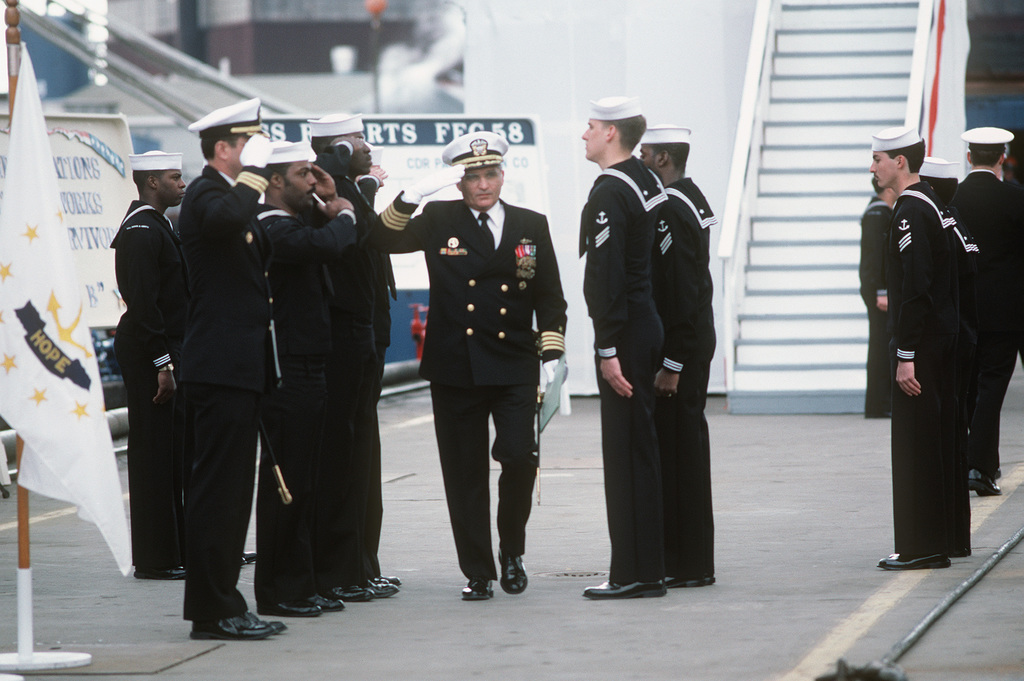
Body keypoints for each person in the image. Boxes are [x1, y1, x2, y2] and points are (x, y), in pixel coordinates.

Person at [371, 131, 568, 601]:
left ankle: (512, 551)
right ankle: (479, 570)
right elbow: (379, 237)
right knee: (464, 473)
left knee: (520, 456)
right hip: (455, 366)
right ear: (458, 183)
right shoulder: (439, 217)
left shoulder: (530, 223)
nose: (484, 184)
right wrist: (414, 194)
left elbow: (549, 295)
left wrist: (552, 355)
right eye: (473, 176)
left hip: (514, 363)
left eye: (491, 174)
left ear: (503, 175)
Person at [178, 98, 286, 640]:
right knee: (217, 494)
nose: (256, 155)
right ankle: (212, 609)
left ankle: (224, 601)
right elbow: (223, 223)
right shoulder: (206, 194)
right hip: (219, 367)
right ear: (224, 149)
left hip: (238, 367)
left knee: (231, 493)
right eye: (248, 144)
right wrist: (253, 176)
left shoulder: (228, 196)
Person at [253, 141, 359, 618]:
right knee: (287, 482)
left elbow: (321, 236)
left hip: (310, 363)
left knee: (307, 479)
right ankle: (281, 588)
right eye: (303, 175)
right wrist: (345, 214)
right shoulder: (271, 227)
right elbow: (327, 244)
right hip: (287, 367)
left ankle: (303, 579)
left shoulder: (294, 223)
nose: (313, 182)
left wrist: (330, 195)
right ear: (275, 181)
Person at [307, 113, 399, 602]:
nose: (367, 146)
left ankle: (363, 563)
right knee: (344, 456)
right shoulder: (326, 195)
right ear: (337, 148)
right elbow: (358, 241)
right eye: (357, 139)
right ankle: (346, 567)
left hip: (365, 337)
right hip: (343, 339)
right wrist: (359, 193)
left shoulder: (348, 193)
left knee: (362, 452)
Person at [579, 97, 668, 599]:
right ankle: (647, 568)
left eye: (590, 126)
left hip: (626, 332)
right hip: (645, 322)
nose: (583, 134)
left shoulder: (611, 191)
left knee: (626, 453)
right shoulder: (646, 178)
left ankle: (633, 573)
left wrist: (606, 346)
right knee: (643, 450)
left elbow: (606, 274)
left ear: (611, 132)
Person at [870, 126, 957, 571]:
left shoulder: (910, 211)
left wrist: (906, 356)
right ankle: (932, 542)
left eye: (878, 159)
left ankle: (921, 547)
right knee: (927, 444)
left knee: (914, 448)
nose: (872, 167)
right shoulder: (928, 206)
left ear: (899, 161)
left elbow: (916, 289)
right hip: (933, 343)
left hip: (918, 349)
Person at [639, 124, 717, 589]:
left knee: (680, 454)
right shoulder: (691, 197)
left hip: (682, 346)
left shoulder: (671, 208)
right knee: (684, 449)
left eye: (646, 153)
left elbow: (683, 292)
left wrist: (673, 362)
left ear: (663, 158)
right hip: (690, 341)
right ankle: (690, 560)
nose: (640, 160)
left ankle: (687, 562)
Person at [110, 150, 188, 581]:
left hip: (163, 348)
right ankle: (155, 559)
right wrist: (163, 363)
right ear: (152, 182)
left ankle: (176, 547)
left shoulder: (157, 224)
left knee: (172, 454)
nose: (183, 184)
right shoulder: (141, 231)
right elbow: (144, 304)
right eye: (175, 178)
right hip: (147, 351)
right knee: (154, 456)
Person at [952, 127, 1024, 497]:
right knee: (992, 387)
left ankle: (971, 461)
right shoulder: (1015, 198)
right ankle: (979, 467)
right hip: (1006, 313)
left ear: (969, 157)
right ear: (1001, 157)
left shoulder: (952, 197)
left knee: (967, 388)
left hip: (964, 309)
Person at [920, 156, 976, 558]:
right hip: (964, 339)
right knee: (954, 440)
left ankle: (942, 536)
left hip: (951, 343)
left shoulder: (940, 225)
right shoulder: (955, 224)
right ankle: (956, 537)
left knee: (944, 441)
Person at [859, 177, 897, 419]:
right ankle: (878, 404)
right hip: (878, 292)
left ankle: (880, 402)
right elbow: (877, 257)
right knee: (881, 347)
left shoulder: (880, 213)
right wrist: (881, 291)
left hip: (875, 289)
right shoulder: (878, 214)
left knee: (882, 346)